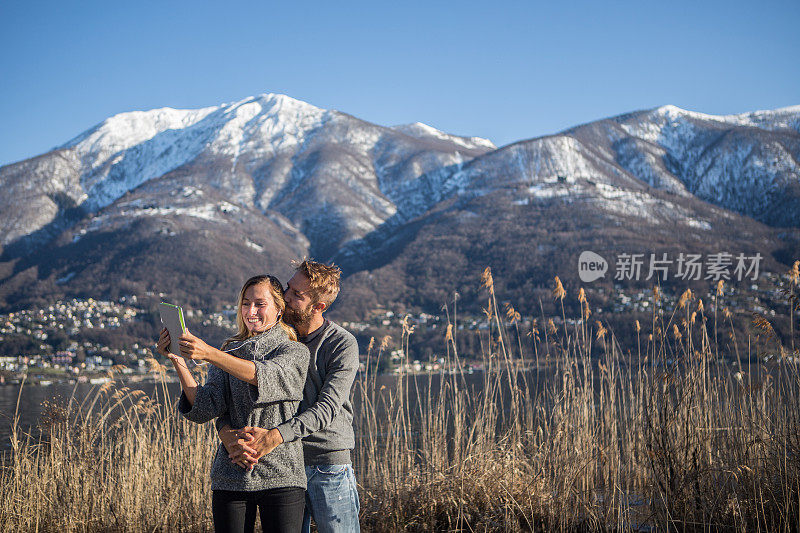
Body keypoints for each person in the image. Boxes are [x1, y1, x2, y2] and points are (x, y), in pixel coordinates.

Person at [157, 274, 310, 533]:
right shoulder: (228, 351)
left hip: (282, 473)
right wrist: (177, 359)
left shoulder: (294, 352)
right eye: (245, 303)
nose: (251, 311)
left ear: (279, 309)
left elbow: (264, 376)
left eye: (260, 304)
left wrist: (210, 354)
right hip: (231, 473)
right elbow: (205, 408)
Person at [218, 260, 361, 533]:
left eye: (298, 295)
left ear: (319, 306)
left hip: (325, 462)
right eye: (288, 288)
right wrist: (226, 430)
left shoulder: (341, 344)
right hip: (283, 466)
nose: (286, 297)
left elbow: (326, 409)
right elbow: (234, 398)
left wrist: (273, 437)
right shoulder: (276, 338)